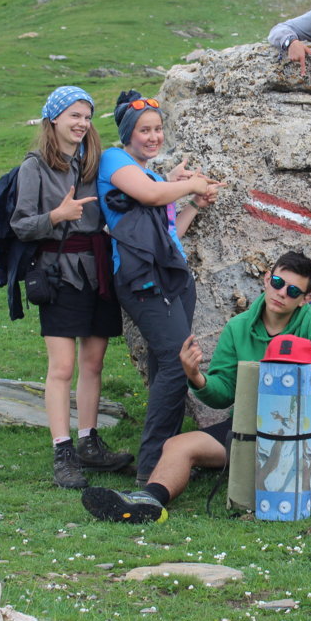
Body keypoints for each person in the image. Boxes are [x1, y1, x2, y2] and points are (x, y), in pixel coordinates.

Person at [79, 251, 311, 523]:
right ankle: (148, 501)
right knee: (177, 445)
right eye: (278, 283)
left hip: (301, 430)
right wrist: (196, 376)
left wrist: (297, 356)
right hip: (251, 426)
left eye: (292, 291)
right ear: (267, 279)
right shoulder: (238, 327)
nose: (281, 293)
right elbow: (222, 394)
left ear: (305, 299)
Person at [97, 90, 223, 486]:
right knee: (175, 363)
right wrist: (190, 184)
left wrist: (194, 204)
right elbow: (151, 195)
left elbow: (169, 235)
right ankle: (153, 466)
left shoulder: (150, 175)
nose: (153, 137)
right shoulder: (113, 160)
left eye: (157, 128)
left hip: (172, 277)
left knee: (165, 366)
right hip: (142, 280)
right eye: (144, 130)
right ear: (127, 134)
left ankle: (165, 458)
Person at [10, 86, 133, 488]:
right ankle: (63, 451)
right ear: (54, 119)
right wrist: (57, 216)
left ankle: (89, 442)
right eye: (74, 116)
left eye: (86, 116)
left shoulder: (93, 162)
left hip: (98, 271)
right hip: (58, 273)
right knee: (62, 367)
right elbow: (20, 225)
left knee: (93, 363)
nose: (81, 124)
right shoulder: (34, 166)